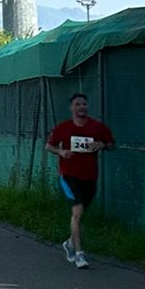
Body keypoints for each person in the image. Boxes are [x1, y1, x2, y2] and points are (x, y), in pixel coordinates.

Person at [45, 92, 114, 268]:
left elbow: (111, 144)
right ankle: (79, 254)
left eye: (84, 104)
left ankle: (69, 243)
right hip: (68, 175)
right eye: (77, 104)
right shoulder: (63, 128)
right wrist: (61, 152)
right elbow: (49, 146)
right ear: (71, 107)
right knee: (77, 213)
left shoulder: (97, 127)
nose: (81, 107)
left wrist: (102, 145)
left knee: (80, 214)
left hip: (89, 177)